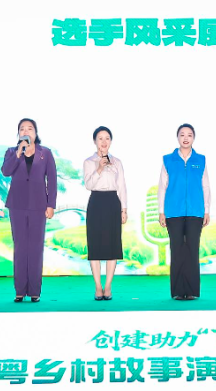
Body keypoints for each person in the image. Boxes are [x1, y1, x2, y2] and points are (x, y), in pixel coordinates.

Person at [2, 118, 58, 303]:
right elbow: (6, 171)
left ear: (36, 132)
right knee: (20, 247)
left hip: (38, 205)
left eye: (30, 128)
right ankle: (19, 290)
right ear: (18, 133)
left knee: (35, 247)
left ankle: (35, 291)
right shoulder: (11, 152)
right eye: (22, 129)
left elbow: (52, 179)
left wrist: (51, 205)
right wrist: (19, 153)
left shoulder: (45, 153)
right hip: (17, 205)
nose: (26, 131)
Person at [158, 123, 210, 300]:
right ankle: (178, 292)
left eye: (189, 135)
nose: (186, 138)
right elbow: (162, 187)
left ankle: (192, 291)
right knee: (177, 250)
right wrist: (161, 211)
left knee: (192, 250)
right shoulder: (168, 160)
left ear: (193, 138)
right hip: (173, 211)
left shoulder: (201, 160)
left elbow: (205, 186)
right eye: (182, 135)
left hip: (196, 211)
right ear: (177, 137)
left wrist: (206, 210)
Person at [83, 126, 128, 301]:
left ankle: (108, 286)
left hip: (112, 202)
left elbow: (122, 186)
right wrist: (99, 168)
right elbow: (88, 185)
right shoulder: (89, 162)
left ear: (111, 141)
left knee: (112, 245)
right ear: (95, 141)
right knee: (94, 245)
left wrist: (124, 209)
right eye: (100, 138)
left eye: (107, 138)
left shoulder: (117, 162)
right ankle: (97, 286)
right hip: (96, 202)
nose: (104, 142)